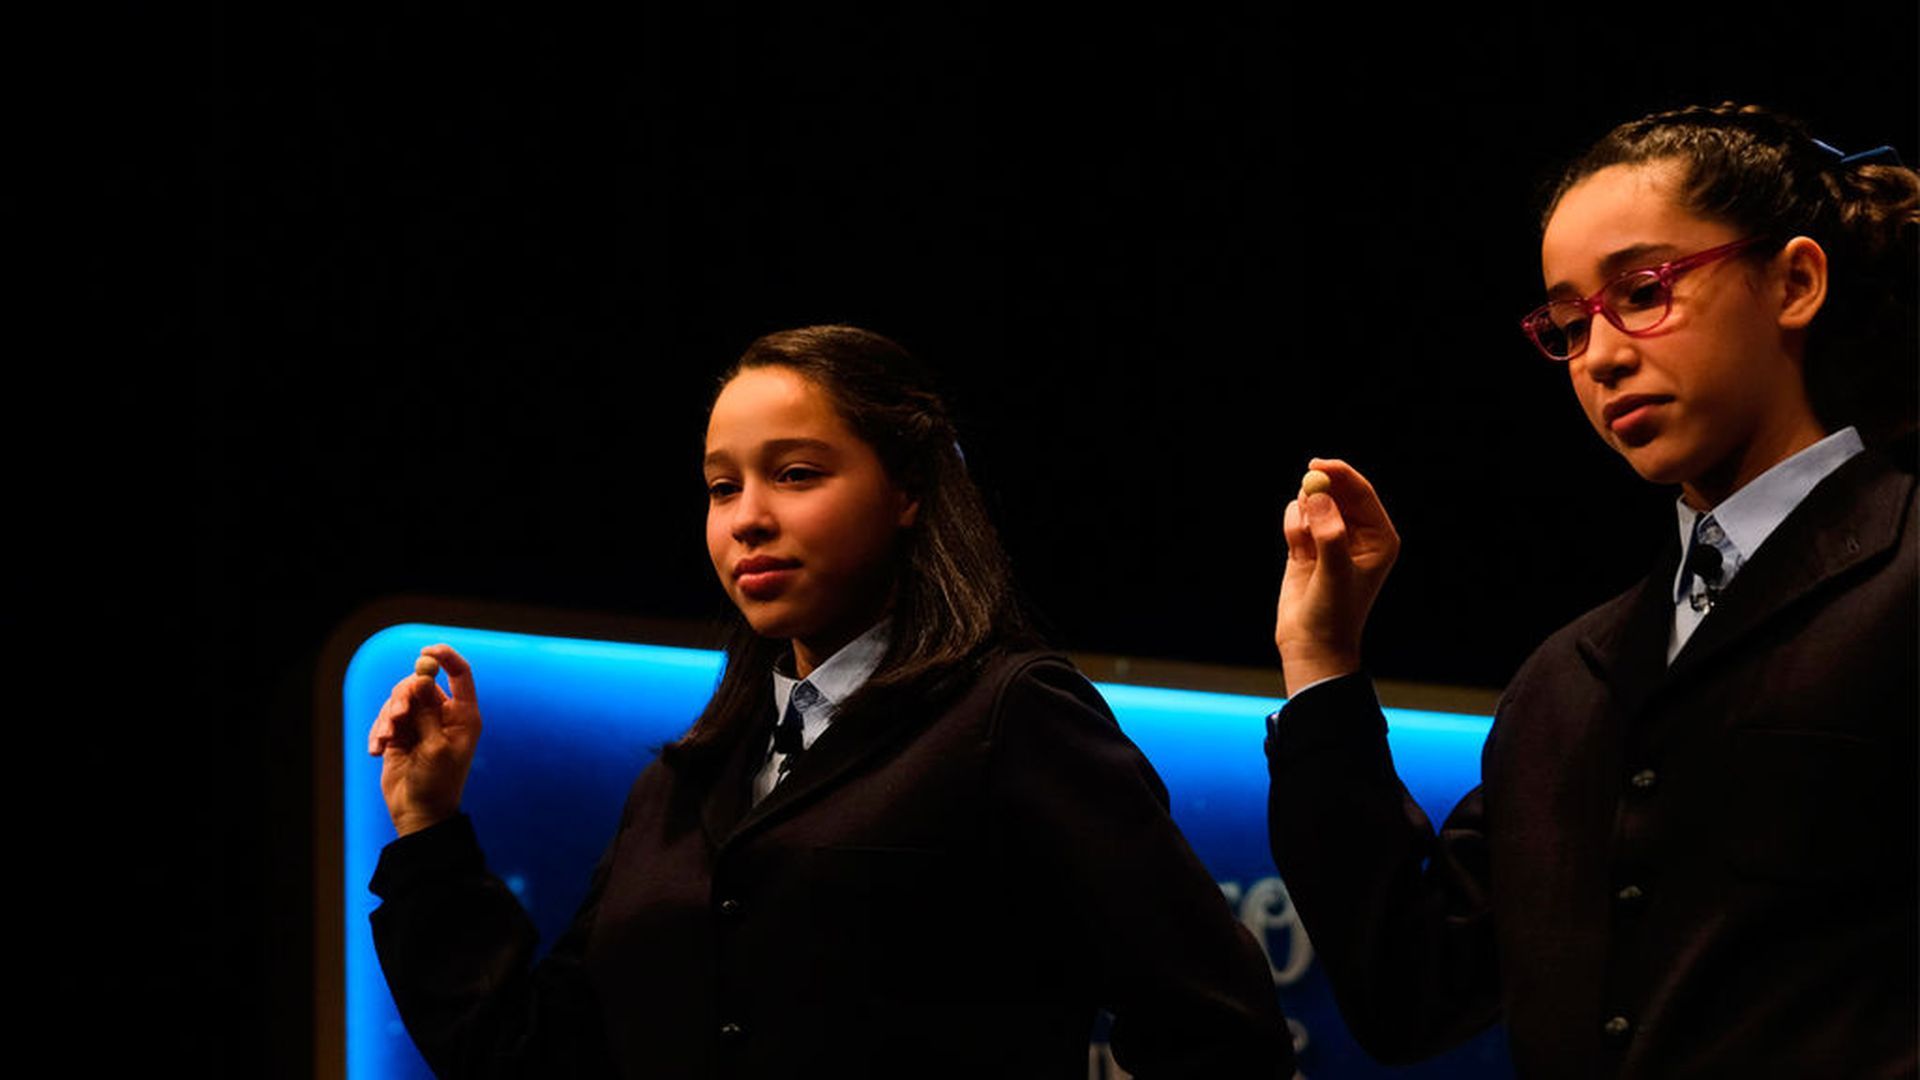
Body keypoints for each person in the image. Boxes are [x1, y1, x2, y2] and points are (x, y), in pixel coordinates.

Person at [368, 325, 1294, 1078]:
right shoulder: (682, 785)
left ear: (908, 492)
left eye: (797, 474)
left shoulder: (1009, 717)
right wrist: (428, 831)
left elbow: (1218, 1031)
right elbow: (538, 1057)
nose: (747, 518)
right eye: (721, 486)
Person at [1265, 104, 1918, 1077]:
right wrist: (1321, 666)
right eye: (1569, 325)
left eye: (1644, 290)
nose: (1604, 356)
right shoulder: (1570, 679)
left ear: (1795, 280)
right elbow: (1414, 985)